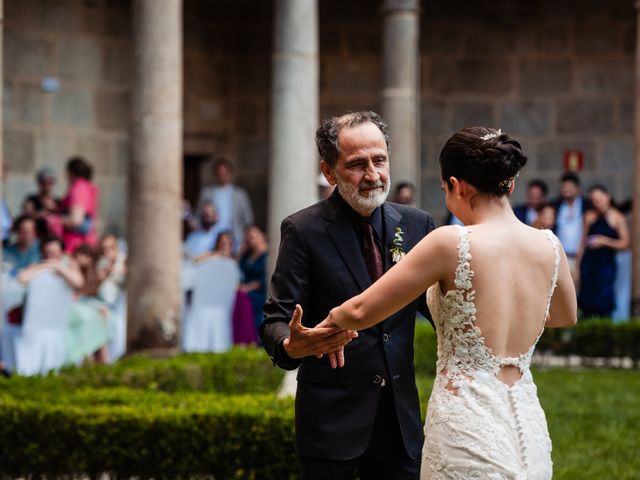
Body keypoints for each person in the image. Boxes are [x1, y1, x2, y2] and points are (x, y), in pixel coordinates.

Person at [315, 127, 577, 479]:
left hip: (466, 419)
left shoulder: (451, 243)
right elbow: (564, 315)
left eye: (444, 190)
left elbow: (361, 311)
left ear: (458, 185)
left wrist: (328, 321)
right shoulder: (549, 244)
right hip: (524, 420)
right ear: (510, 184)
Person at [261, 111, 435, 479]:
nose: (373, 175)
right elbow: (276, 320)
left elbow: (438, 308)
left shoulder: (418, 225)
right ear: (329, 172)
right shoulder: (303, 230)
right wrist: (292, 347)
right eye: (357, 164)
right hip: (331, 421)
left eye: (380, 160)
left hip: (400, 422)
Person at [576, 185, 629, 318]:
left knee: (604, 296)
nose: (597, 203)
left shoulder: (617, 217)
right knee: (587, 296)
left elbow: (625, 243)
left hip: (606, 263)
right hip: (589, 261)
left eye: (599, 199)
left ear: (608, 197)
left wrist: (605, 241)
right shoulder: (589, 216)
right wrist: (577, 266)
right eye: (594, 200)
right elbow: (582, 242)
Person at [197, 157, 254, 251]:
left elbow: (248, 219)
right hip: (211, 237)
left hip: (235, 238)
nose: (222, 176)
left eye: (225, 173)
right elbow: (198, 215)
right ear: (215, 174)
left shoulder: (240, 194)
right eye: (219, 174)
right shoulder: (206, 193)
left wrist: (245, 240)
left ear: (230, 173)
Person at [48, 157, 100, 253]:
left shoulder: (79, 188)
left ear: (70, 173)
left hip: (76, 245)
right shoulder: (87, 187)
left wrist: (54, 219)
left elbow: (76, 220)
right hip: (85, 244)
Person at [552, 172, 590, 272]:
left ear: (578, 189)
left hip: (582, 257)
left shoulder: (587, 205)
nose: (566, 189)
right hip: (560, 256)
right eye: (564, 186)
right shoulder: (556, 205)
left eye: (570, 186)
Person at [239, 225, 268, 337]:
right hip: (246, 291)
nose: (253, 240)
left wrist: (247, 288)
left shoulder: (267, 254)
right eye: (250, 238)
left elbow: (264, 278)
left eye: (255, 236)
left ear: (263, 236)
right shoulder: (247, 255)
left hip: (260, 292)